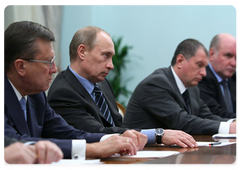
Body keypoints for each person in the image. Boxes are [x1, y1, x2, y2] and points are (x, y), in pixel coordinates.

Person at [2, 21, 142, 160]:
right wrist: (91, 149)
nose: (54, 69)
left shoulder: (36, 95)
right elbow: (13, 143)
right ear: (20, 66)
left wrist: (112, 138)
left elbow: (67, 133)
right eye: (48, 62)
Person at [48, 26, 197, 148]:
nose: (111, 65)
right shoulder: (63, 92)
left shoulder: (102, 84)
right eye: (105, 55)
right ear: (82, 52)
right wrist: (159, 135)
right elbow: (97, 132)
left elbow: (118, 126)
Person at [123, 38, 237, 135]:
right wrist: (229, 129)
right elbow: (182, 122)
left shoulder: (192, 88)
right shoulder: (155, 84)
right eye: (199, 65)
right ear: (180, 61)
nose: (204, 73)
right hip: (142, 155)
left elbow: (207, 116)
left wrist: (233, 123)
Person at [198, 33, 237, 118]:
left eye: (237, 58)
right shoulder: (200, 78)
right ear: (211, 54)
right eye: (228, 55)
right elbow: (214, 113)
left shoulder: (235, 78)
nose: (234, 63)